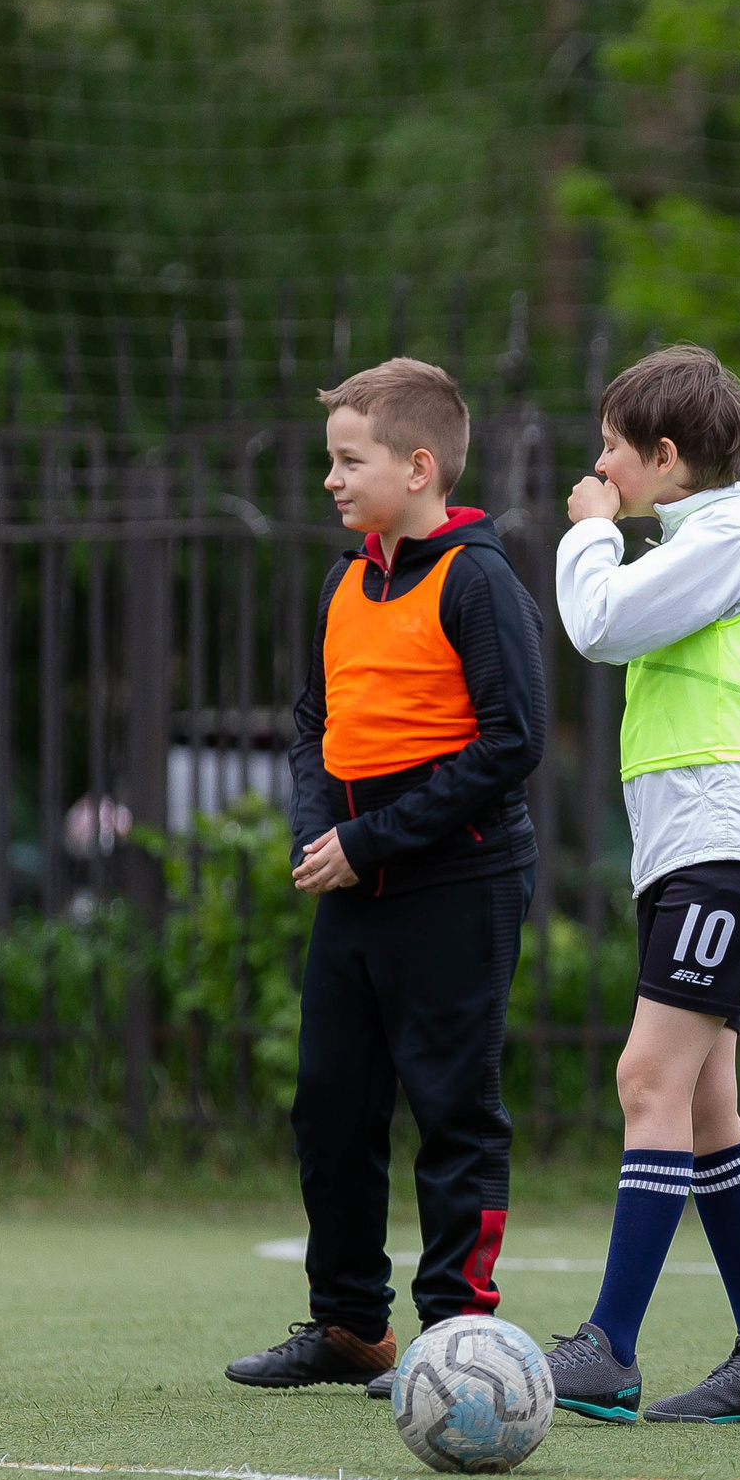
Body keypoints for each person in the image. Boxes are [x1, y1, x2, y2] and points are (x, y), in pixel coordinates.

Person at [228, 357, 546, 1399]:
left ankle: (457, 1328)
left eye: (347, 459)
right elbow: (313, 726)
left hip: (460, 882)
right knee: (330, 1102)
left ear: (418, 467)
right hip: (354, 887)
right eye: (331, 460)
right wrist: (324, 833)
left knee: (454, 1105)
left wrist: (376, 840)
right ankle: (350, 1325)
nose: (330, 478)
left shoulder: (479, 579)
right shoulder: (344, 580)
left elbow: (512, 742)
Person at [548, 343, 740, 1425]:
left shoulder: (730, 538)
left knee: (644, 1079)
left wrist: (585, 531)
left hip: (729, 841)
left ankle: (609, 1347)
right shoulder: (696, 540)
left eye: (612, 449)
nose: (600, 466)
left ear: (663, 457)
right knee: (704, 1102)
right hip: (690, 843)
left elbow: (597, 623)